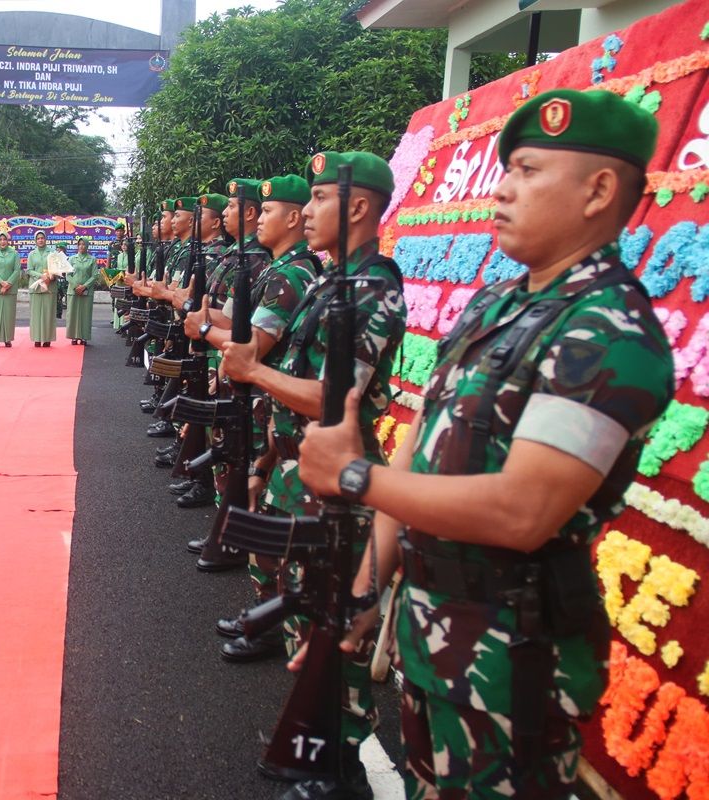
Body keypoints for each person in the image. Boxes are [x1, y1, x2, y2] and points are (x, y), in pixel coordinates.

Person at [297, 90, 674, 799]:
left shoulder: (611, 333)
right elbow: (419, 446)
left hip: (514, 660)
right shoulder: (497, 305)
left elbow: (521, 510)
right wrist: (368, 585)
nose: (502, 188)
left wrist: (353, 478)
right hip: (432, 630)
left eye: (529, 170)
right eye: (508, 170)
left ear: (598, 191)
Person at [220, 154, 405, 800]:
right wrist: (270, 461)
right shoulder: (331, 284)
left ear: (357, 207)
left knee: (335, 627)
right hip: (300, 473)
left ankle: (341, 763)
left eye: (320, 199)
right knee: (307, 614)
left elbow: (336, 395)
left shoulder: (373, 288)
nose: (308, 214)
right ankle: (312, 742)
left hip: (338, 485)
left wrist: (254, 372)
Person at [0, 231, 20, 347]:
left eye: (4, 239)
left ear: (8, 240)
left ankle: (8, 339)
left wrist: (8, 284)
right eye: (0, 240)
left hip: (10, 290)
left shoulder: (14, 253)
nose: (2, 242)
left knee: (9, 314)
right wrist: (1, 283)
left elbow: (17, 270)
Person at [26, 230, 58, 346]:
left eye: (42, 238)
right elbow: (29, 270)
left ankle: (47, 338)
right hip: (36, 287)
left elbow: (57, 268)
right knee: (36, 314)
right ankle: (37, 338)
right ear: (35, 240)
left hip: (50, 287)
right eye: (38, 238)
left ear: (46, 239)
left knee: (48, 313)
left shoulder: (52, 253)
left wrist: (51, 276)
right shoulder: (31, 254)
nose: (40, 240)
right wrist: (41, 276)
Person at [66, 237, 97, 345]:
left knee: (85, 314)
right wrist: (76, 286)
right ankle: (74, 336)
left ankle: (84, 336)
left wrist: (84, 286)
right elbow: (68, 275)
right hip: (73, 290)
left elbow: (94, 276)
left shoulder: (92, 259)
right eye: (79, 244)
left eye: (83, 244)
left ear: (87, 246)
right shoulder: (72, 259)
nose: (81, 246)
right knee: (73, 314)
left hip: (86, 291)